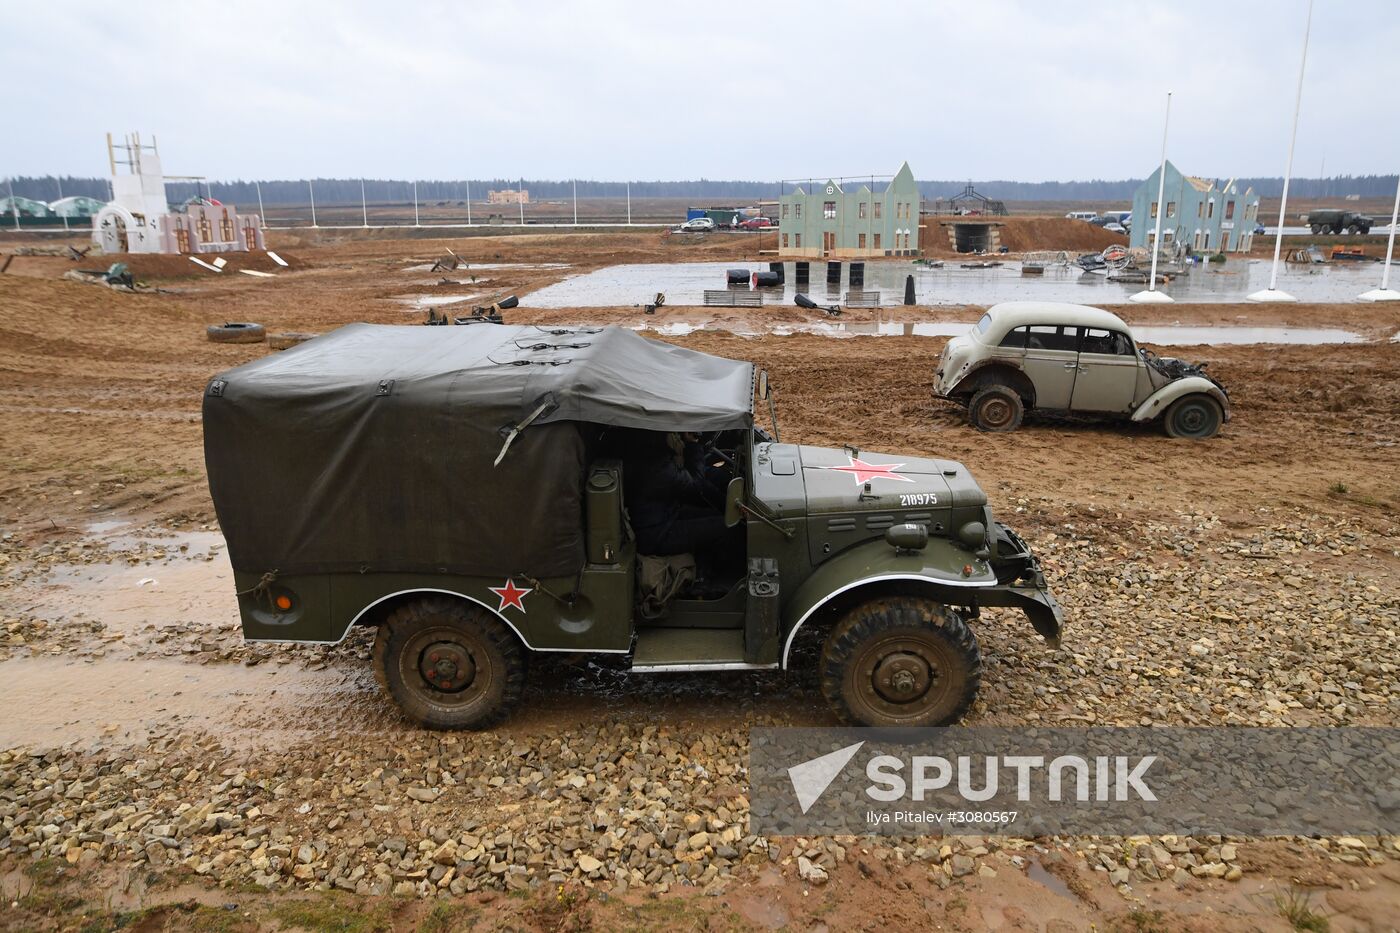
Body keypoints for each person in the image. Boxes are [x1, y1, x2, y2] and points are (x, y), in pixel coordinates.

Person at [624, 431, 738, 560]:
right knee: (727, 526)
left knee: (720, 515)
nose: (676, 436)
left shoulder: (646, 453)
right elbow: (696, 485)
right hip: (658, 534)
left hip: (664, 516)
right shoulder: (657, 466)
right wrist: (693, 444)